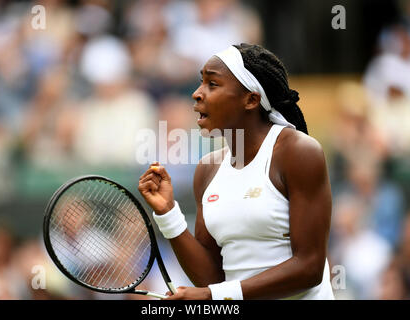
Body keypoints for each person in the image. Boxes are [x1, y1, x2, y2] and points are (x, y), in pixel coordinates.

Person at [138, 43, 334, 300]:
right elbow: (213, 279)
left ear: (251, 99)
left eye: (212, 84)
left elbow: (309, 268)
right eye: (200, 83)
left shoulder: (298, 152)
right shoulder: (207, 170)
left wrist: (211, 296)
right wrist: (167, 213)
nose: (197, 94)